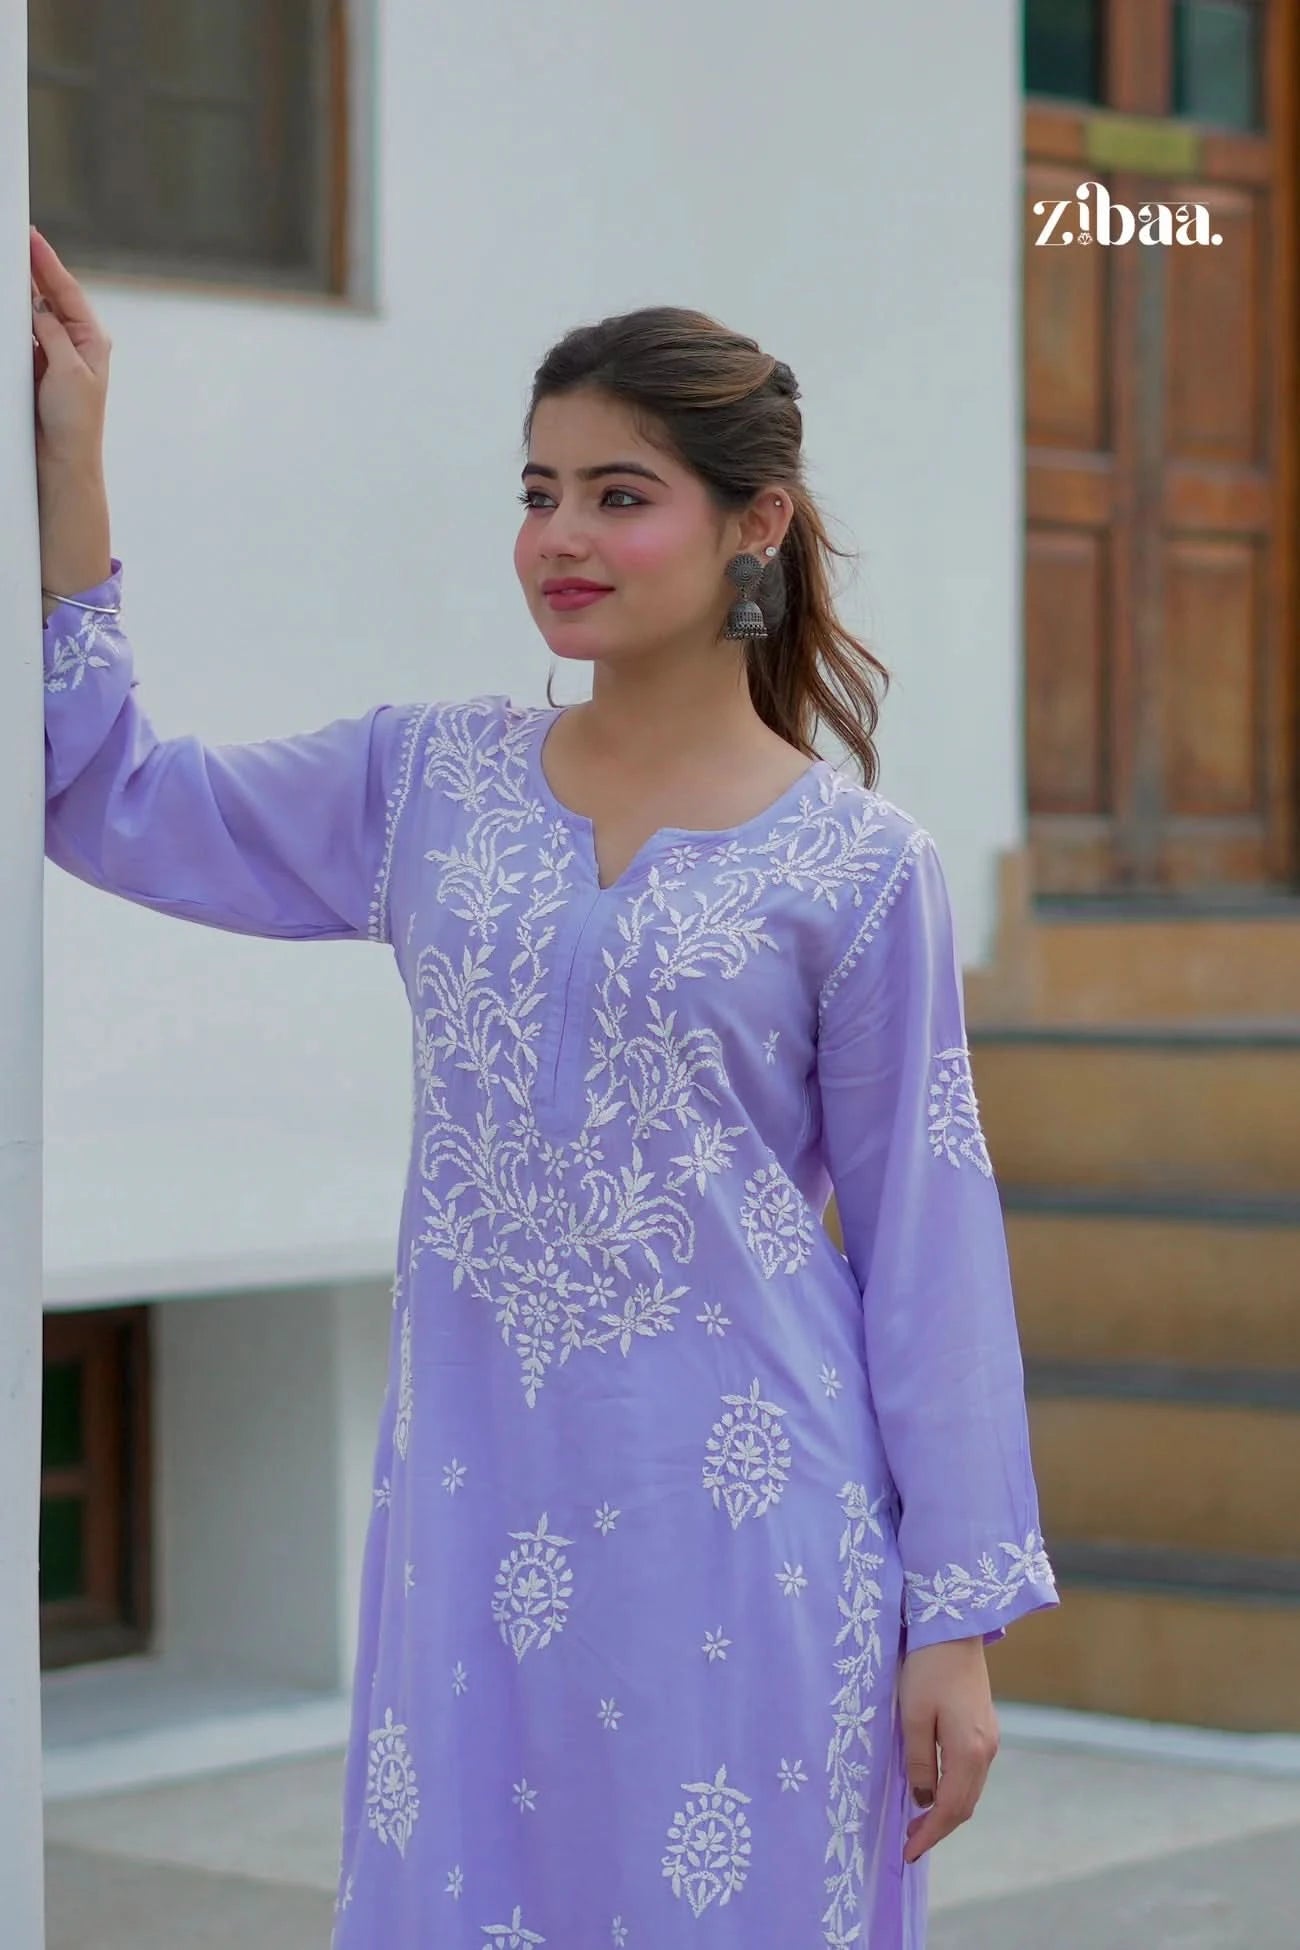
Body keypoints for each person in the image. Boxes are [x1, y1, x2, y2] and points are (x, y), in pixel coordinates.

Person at [31, 224, 1059, 1949]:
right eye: (539, 492)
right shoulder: (425, 787)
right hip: (477, 1537)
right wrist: (74, 458)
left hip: (752, 1542)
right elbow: (108, 796)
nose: (561, 537)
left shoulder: (859, 868)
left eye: (618, 495)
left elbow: (929, 1256)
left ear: (755, 522)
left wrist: (952, 1621)